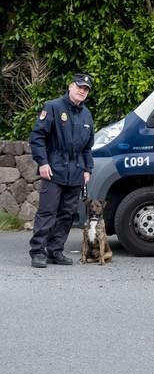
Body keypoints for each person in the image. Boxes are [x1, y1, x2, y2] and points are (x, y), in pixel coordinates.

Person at [28, 73, 95, 268]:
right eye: (79, 87)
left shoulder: (86, 115)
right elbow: (37, 137)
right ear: (70, 86)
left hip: (75, 172)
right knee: (47, 212)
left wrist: (87, 169)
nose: (82, 91)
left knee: (67, 214)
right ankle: (38, 251)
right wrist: (42, 162)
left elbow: (87, 147)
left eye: (86, 89)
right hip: (54, 169)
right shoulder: (53, 107)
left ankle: (55, 251)